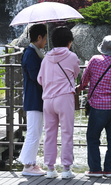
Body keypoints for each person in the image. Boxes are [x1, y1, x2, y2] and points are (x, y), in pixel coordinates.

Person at [77, 35, 111, 178]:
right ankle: (109, 170)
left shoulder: (95, 60)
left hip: (99, 107)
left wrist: (80, 88)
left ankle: (95, 169)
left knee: (93, 137)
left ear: (103, 48)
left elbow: (84, 80)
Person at [37, 26, 80, 179]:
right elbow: (75, 73)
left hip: (48, 100)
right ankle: (67, 169)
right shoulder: (72, 56)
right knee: (67, 133)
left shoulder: (46, 57)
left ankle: (50, 168)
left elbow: (40, 79)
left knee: (49, 134)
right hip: (64, 98)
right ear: (69, 42)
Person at [18, 23, 47, 176]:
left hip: (36, 98)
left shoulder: (34, 52)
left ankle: (31, 162)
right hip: (34, 97)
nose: (46, 41)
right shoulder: (30, 54)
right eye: (45, 38)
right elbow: (36, 77)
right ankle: (28, 165)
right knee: (33, 132)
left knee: (35, 131)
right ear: (39, 37)